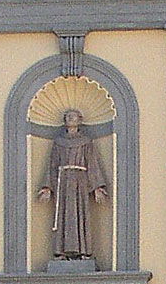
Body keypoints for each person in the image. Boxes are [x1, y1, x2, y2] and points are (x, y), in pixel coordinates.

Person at [36, 108, 110, 260]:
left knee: (80, 214)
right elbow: (52, 165)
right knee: (63, 214)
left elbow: (92, 164)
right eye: (68, 116)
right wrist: (47, 187)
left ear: (79, 120)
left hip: (80, 182)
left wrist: (97, 187)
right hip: (62, 182)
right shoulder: (58, 142)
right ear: (64, 120)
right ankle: (61, 252)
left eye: (73, 116)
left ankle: (84, 251)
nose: (70, 118)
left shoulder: (86, 142)